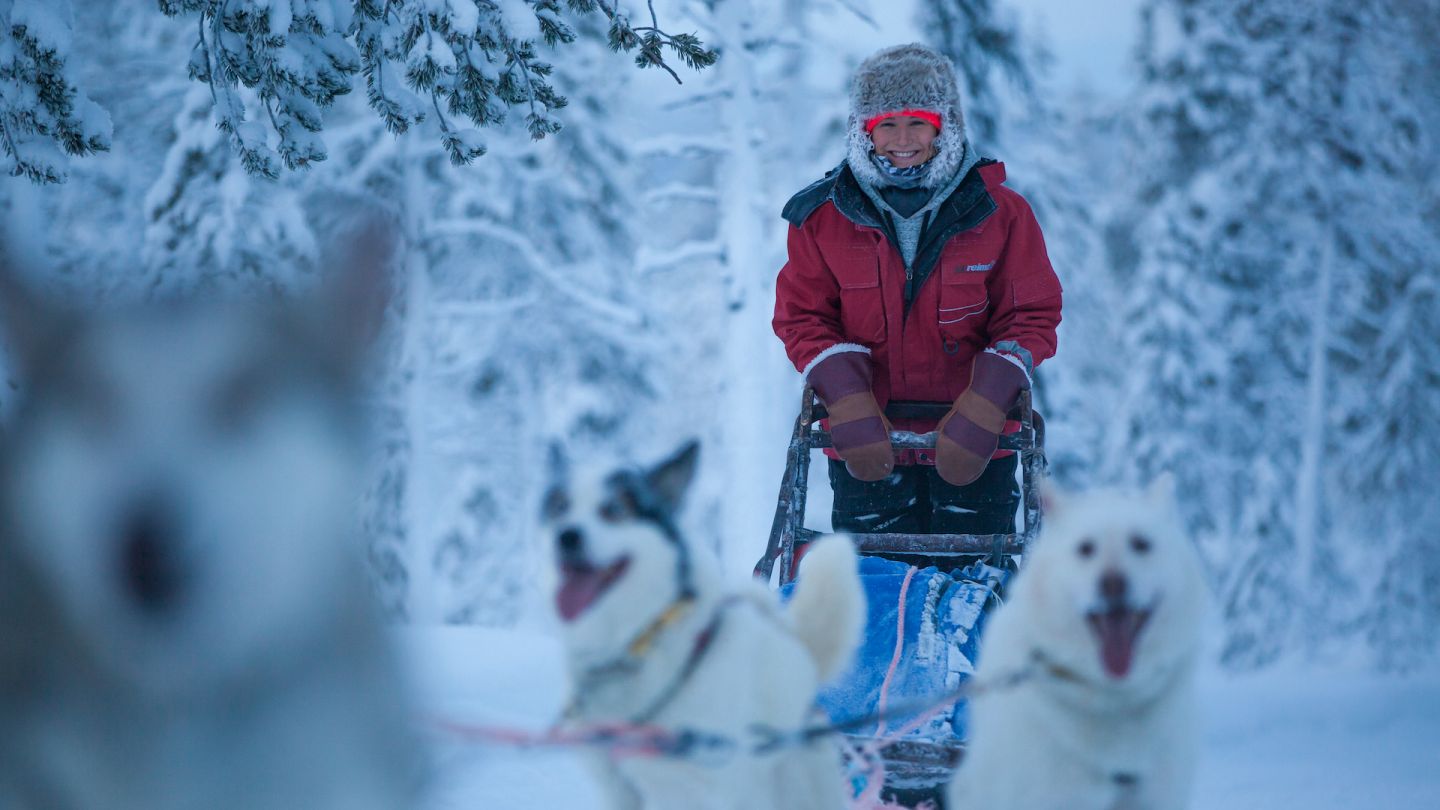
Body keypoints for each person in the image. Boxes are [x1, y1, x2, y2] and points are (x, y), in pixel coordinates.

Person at [772, 43, 1062, 540]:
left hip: (979, 445)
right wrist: (844, 397)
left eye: (917, 122)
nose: (901, 139)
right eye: (885, 124)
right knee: (875, 595)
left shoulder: (1002, 213)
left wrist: (988, 399)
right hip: (866, 444)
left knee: (976, 590)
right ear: (863, 130)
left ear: (943, 126)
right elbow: (801, 316)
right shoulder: (822, 217)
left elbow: (1031, 314)